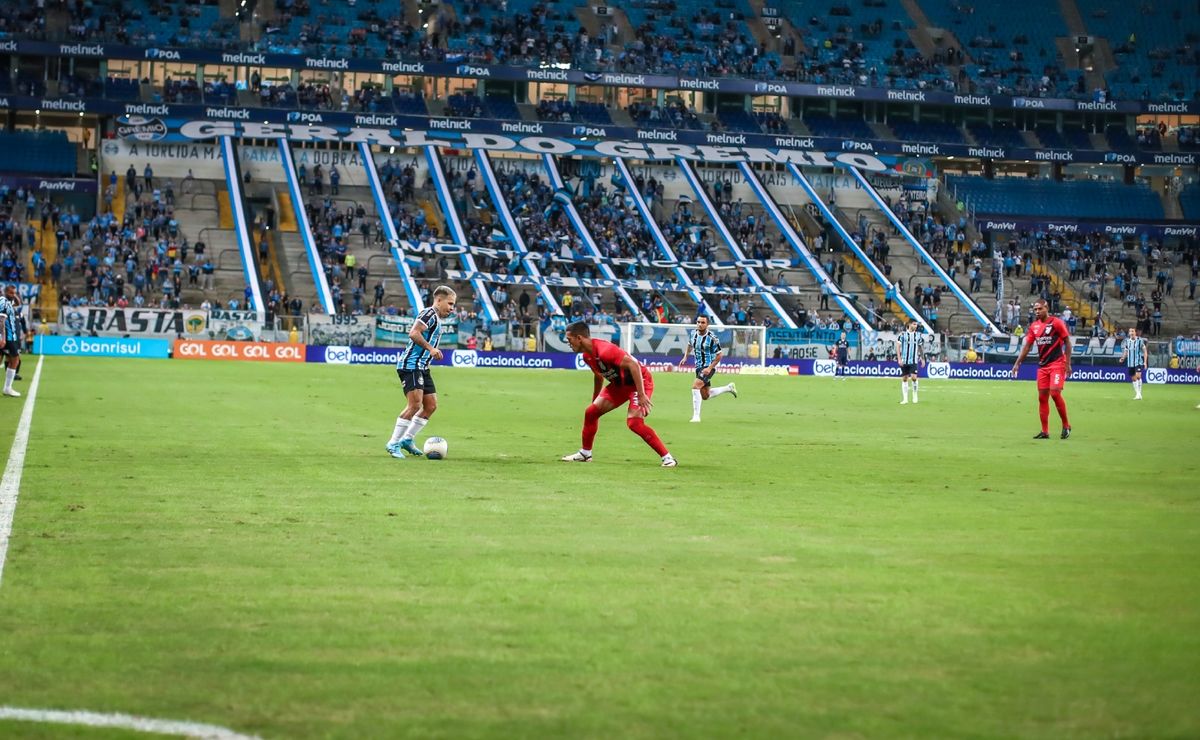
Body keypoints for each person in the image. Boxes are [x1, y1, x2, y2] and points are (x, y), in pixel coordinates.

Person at [561, 321, 676, 467]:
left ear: (579, 338)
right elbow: (598, 376)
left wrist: (641, 394)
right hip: (619, 385)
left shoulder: (605, 350)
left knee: (634, 423)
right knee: (591, 412)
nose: (568, 343)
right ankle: (585, 453)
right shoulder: (587, 356)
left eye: (569, 339)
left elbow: (633, 365)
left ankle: (668, 458)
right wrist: (595, 400)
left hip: (638, 382)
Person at [386, 285, 457, 458]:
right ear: (438, 300)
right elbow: (414, 333)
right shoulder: (429, 314)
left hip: (422, 367)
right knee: (415, 405)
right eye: (450, 303)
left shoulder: (437, 319)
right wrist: (431, 348)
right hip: (411, 365)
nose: (452, 308)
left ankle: (407, 439)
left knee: (430, 406)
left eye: (453, 305)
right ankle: (393, 443)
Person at [1010, 298, 1072, 439]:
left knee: (1055, 393)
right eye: (1035, 309)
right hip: (1043, 366)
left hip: (1057, 364)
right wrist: (1017, 362)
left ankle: (1066, 425)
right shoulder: (1034, 326)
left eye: (1040, 309)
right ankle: (1045, 431)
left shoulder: (1056, 323)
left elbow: (1067, 342)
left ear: (1046, 308)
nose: (1037, 312)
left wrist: (1067, 363)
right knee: (1042, 398)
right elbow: (1027, 346)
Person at [678, 315, 737, 422]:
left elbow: (719, 355)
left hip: (708, 366)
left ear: (707, 324)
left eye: (702, 322)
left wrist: (710, 368)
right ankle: (729, 388)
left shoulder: (712, 338)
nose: (700, 324)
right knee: (705, 395)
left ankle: (696, 416)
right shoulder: (693, 333)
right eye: (698, 322)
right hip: (698, 367)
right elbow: (689, 344)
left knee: (695, 386)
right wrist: (685, 356)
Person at [894, 321, 925, 404]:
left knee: (914, 378)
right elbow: (898, 346)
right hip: (904, 360)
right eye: (914, 324)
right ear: (909, 325)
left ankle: (915, 395)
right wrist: (899, 359)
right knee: (904, 378)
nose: (916, 326)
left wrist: (922, 358)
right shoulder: (903, 335)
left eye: (916, 324)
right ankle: (905, 399)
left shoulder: (918, 335)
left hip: (914, 360)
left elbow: (920, 347)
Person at [0, 284, 22, 397]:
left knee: (13, 360)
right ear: (5, 292)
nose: (13, 295)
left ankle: (7, 388)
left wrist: (15, 295)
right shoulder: (3, 302)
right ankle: (7, 388)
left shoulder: (9, 302)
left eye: (14, 293)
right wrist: (2, 338)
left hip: (10, 336)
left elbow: (18, 303)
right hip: (7, 337)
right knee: (15, 360)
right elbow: (1, 321)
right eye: (11, 293)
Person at [1119, 326, 1148, 400]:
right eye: (1130, 331)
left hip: (1138, 362)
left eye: (1132, 331)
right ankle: (1138, 394)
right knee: (1134, 379)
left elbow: (1145, 351)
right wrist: (1123, 358)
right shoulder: (1127, 342)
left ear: (1135, 332)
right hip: (1130, 363)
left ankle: (1139, 394)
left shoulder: (1140, 341)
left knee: (1138, 376)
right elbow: (1126, 352)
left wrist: (1145, 362)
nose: (1131, 333)